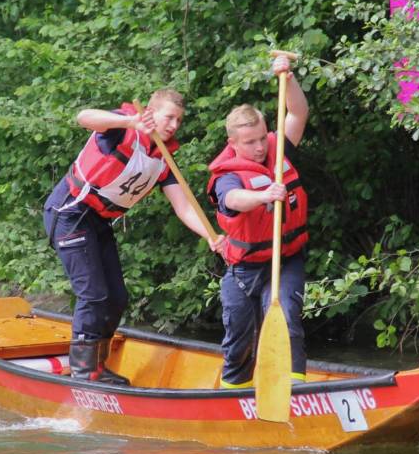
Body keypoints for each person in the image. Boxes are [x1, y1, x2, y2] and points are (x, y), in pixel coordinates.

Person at [43, 89, 225, 385]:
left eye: (179, 120)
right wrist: (132, 123)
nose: (174, 125)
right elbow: (83, 117)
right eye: (169, 117)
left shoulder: (163, 159)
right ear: (152, 114)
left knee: (116, 298)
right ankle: (83, 371)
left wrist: (211, 235)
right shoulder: (121, 127)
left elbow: (183, 207)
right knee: (94, 295)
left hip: (98, 222)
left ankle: (96, 365)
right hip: (69, 213)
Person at [206, 56, 309, 388]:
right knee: (239, 334)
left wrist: (288, 78)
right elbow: (233, 200)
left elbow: (297, 113)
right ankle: (232, 389)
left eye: (262, 138)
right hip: (244, 270)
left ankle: (294, 389)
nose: (259, 147)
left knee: (287, 317)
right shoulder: (228, 175)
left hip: (285, 259)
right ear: (233, 144)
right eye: (249, 142)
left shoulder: (278, 150)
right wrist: (265, 196)